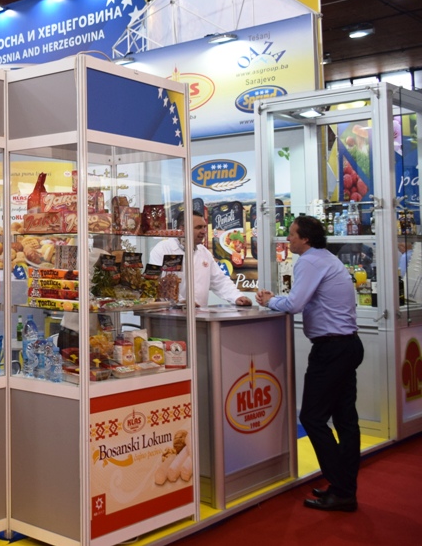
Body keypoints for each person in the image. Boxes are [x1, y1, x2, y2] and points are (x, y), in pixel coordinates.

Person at [256, 215, 362, 512]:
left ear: (305, 238)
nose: (288, 239)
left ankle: (341, 486)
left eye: (292, 234)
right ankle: (344, 488)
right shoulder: (326, 258)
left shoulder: (310, 261)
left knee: (313, 418)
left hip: (332, 350)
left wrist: (269, 301)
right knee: (345, 419)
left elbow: (295, 304)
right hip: (348, 345)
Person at [149, 212, 251, 307]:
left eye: (204, 227)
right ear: (182, 229)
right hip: (169, 314)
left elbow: (219, 280)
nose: (203, 231)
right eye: (198, 227)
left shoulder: (204, 252)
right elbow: (155, 283)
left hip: (199, 315)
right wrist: (181, 302)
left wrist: (237, 297)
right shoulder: (162, 249)